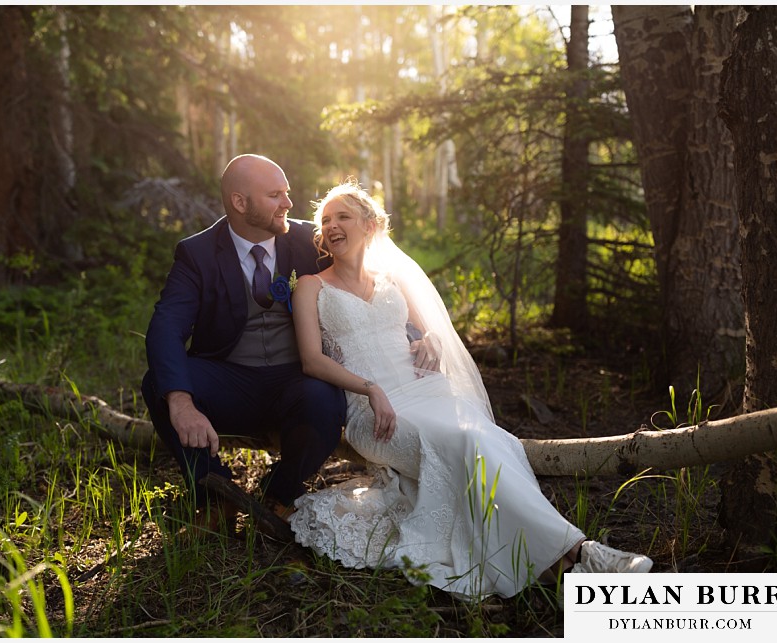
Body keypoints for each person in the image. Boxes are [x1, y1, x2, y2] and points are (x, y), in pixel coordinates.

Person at [288, 179, 653, 601]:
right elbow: (312, 360)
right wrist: (369, 389)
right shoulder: (312, 286)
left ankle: (567, 562)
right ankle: (585, 552)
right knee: (466, 439)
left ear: (369, 225)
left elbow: (434, 333)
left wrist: (429, 341)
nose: (332, 226)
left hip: (428, 392)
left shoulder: (393, 279)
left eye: (342, 217)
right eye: (326, 220)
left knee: (487, 439)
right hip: (375, 411)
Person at [141, 154, 347, 528]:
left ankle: (281, 492)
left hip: (295, 378)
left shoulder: (307, 239)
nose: (288, 203)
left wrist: (415, 332)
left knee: (325, 395)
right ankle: (214, 494)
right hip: (230, 379)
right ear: (240, 202)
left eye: (287, 193)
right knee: (159, 382)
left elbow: (370, 276)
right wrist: (182, 402)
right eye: (275, 195)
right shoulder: (197, 253)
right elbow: (166, 327)